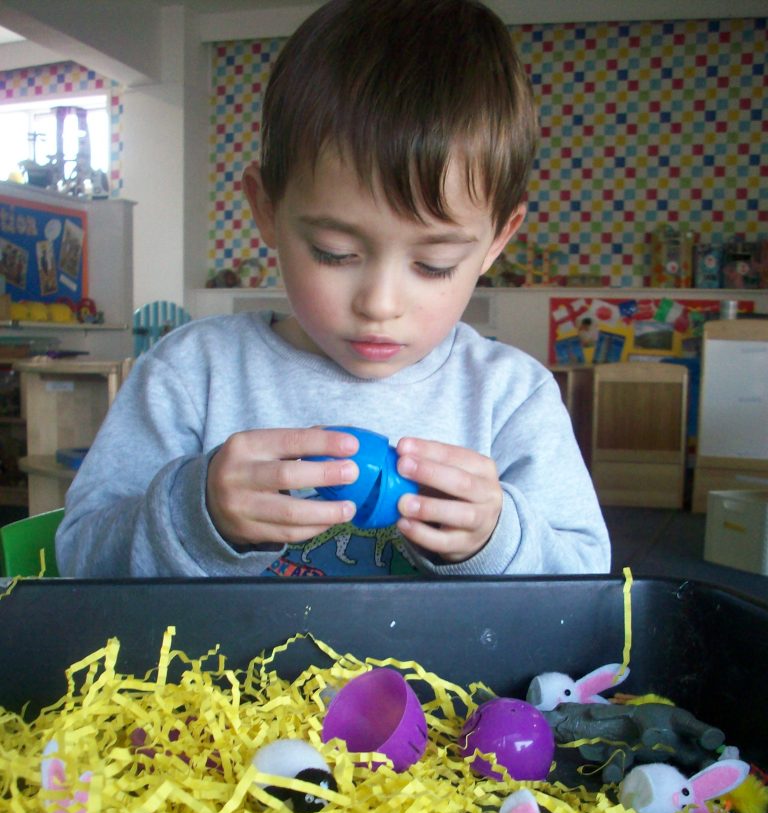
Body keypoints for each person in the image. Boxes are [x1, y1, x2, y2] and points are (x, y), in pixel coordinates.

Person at [56, 0, 610, 579]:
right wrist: (198, 516)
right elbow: (79, 558)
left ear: (498, 239)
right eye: (334, 253)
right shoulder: (192, 376)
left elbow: (587, 578)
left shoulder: (510, 398)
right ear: (267, 210)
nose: (379, 304)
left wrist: (495, 539)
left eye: (434, 263)